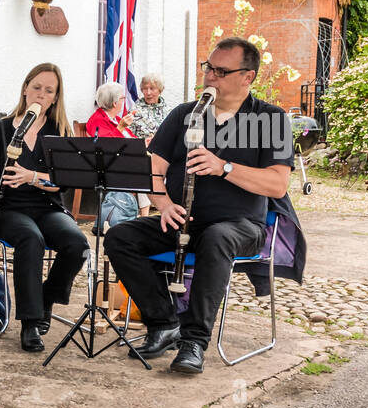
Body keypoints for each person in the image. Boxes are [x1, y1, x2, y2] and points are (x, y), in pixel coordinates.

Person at [104, 37, 293, 375]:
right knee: (120, 236)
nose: (210, 77)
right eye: (209, 68)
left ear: (247, 77)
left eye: (221, 71)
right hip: (181, 220)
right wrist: (163, 205)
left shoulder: (270, 119)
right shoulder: (183, 115)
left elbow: (277, 183)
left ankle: (194, 341)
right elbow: (153, 171)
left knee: (217, 238)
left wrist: (225, 167)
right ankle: (163, 323)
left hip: (240, 225)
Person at [0, 63, 91, 353]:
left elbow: (64, 183)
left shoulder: (59, 131)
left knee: (78, 244)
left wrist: (33, 177)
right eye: (36, 87)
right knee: (30, 239)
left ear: (55, 97)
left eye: (49, 90)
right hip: (8, 209)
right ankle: (31, 322)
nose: (41, 94)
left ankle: (46, 297)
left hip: (47, 206)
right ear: (25, 88)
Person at [85, 81, 152, 229]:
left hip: (123, 162)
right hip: (108, 166)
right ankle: (145, 217)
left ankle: (144, 216)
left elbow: (128, 141)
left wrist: (143, 143)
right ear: (115, 103)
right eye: (122, 98)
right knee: (145, 170)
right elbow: (105, 145)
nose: (124, 101)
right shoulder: (98, 120)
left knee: (149, 167)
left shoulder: (113, 119)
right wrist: (121, 127)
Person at [130, 73, 172, 140]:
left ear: (160, 90)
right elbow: (129, 138)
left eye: (152, 89)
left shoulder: (169, 111)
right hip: (142, 149)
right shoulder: (134, 111)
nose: (148, 93)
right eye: (145, 89)